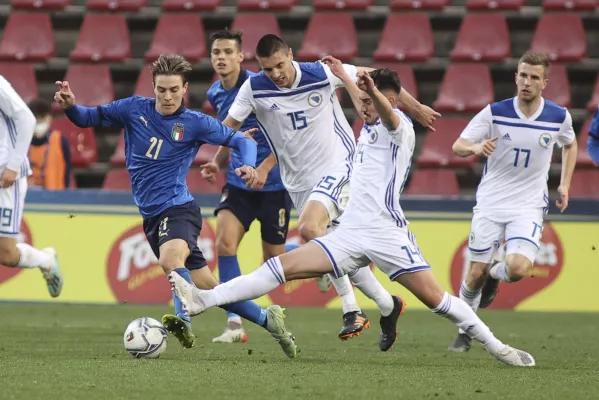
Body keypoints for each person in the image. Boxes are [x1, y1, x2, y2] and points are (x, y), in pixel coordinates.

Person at [169, 64, 536, 367]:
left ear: (387, 100)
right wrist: (347, 79)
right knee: (279, 268)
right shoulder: (366, 127)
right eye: (361, 101)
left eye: (370, 101)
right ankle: (206, 299)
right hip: (351, 234)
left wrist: (375, 92)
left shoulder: (399, 130)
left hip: (388, 234)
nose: (363, 106)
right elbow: (368, 101)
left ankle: (496, 347)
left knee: (439, 302)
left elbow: (390, 113)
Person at [55, 54, 298, 358]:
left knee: (171, 260)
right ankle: (268, 319)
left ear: (184, 88)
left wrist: (248, 166)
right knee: (209, 288)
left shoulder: (194, 123)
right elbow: (87, 118)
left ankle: (182, 320)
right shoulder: (133, 109)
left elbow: (244, 142)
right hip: (152, 217)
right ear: (153, 87)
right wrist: (70, 106)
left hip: (179, 209)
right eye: (161, 90)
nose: (167, 97)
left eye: (173, 90)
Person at [216, 34, 440, 345]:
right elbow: (226, 129)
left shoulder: (319, 73)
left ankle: (351, 309)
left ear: (290, 55)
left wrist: (413, 107)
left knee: (309, 228)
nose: (276, 74)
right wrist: (218, 160)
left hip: (341, 165)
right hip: (298, 183)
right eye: (268, 69)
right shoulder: (254, 88)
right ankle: (388, 304)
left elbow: (376, 78)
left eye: (279, 65)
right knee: (336, 246)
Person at [448, 51, 577, 352]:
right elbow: (458, 146)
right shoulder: (495, 112)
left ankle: (497, 275)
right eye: (522, 75)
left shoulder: (559, 116)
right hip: (491, 202)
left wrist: (565, 183)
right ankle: (465, 330)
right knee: (474, 274)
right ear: (515, 77)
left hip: (528, 204)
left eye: (534, 77)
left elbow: (570, 145)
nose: (526, 82)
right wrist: (478, 146)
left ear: (545, 82)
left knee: (517, 269)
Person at [201, 30, 294, 344]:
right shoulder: (215, 92)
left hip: (273, 184)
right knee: (224, 244)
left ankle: (319, 257)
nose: (221, 58)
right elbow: (230, 131)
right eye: (216, 52)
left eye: (228, 52)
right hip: (238, 184)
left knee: (274, 261)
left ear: (241, 57)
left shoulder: (262, 85)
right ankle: (234, 322)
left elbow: (285, 131)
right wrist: (217, 161)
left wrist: (264, 162)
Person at [0, 76, 63, 297]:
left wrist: (13, 165)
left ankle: (45, 260)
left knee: (6, 254)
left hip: (5, 178)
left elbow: (26, 118)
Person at [27, 99, 72, 190]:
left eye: (42, 119)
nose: (38, 123)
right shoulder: (20, 142)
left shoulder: (60, 141)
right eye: (35, 119)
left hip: (55, 199)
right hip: (26, 198)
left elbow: (67, 173)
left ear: (49, 118)